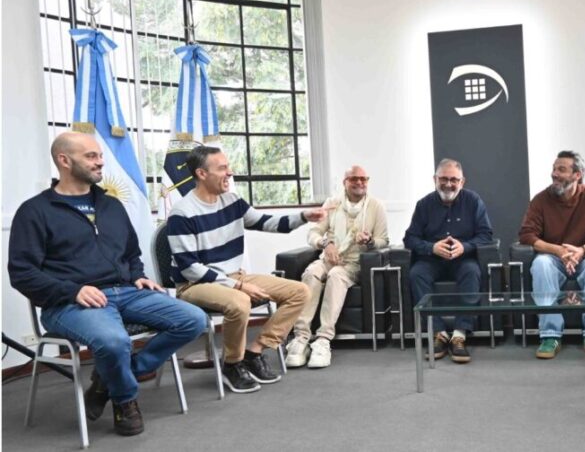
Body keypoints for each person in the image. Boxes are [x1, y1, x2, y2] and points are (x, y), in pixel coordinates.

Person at [7, 132, 207, 436]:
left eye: (99, 155)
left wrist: (137, 274)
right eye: (90, 156)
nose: (100, 161)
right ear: (64, 160)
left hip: (126, 291)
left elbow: (130, 252)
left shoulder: (111, 205)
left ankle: (110, 380)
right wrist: (73, 290)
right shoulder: (35, 212)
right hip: (69, 302)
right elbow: (22, 273)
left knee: (193, 319)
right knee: (115, 342)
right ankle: (125, 399)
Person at [167, 146, 324, 393]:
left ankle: (255, 352)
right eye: (222, 168)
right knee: (240, 301)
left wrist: (305, 216)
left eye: (228, 167)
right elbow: (190, 268)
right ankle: (232, 363)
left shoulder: (232, 201)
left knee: (300, 292)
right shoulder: (182, 213)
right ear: (201, 173)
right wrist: (238, 285)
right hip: (194, 285)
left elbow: (268, 223)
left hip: (234, 277)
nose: (230, 173)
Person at [519, 151, 585, 360]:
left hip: (584, 255)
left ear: (577, 174)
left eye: (561, 169)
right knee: (541, 265)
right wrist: (558, 250)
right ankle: (550, 335)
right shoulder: (541, 199)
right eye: (554, 169)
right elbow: (527, 234)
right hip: (553, 257)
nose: (554, 174)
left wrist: (583, 250)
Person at [286, 165, 389, 368]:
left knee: (336, 276)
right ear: (345, 182)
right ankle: (301, 337)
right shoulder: (332, 203)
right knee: (311, 273)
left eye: (363, 179)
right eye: (354, 179)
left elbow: (383, 241)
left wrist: (368, 242)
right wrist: (326, 243)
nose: (359, 182)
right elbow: (313, 233)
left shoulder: (376, 206)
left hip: (353, 263)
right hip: (328, 257)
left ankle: (323, 339)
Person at [404, 158, 494, 363]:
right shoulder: (424, 204)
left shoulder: (473, 201)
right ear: (435, 179)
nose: (448, 184)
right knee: (417, 274)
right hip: (432, 259)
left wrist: (466, 246)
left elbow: (486, 234)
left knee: (472, 272)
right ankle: (438, 333)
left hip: (463, 259)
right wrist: (431, 247)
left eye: (454, 179)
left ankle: (460, 334)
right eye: (443, 179)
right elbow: (410, 238)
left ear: (462, 182)